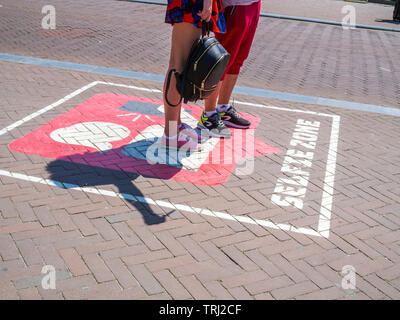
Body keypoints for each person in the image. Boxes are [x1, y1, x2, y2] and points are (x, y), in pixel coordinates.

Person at [162, 0, 226, 150]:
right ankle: (170, 134)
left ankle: (175, 126)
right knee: (178, 67)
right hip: (194, 4)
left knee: (178, 65)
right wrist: (207, 3)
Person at [198, 0, 261, 138]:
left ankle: (222, 109)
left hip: (253, 4)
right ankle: (208, 115)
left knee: (238, 60)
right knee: (222, 62)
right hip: (234, 6)